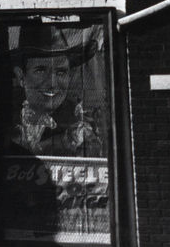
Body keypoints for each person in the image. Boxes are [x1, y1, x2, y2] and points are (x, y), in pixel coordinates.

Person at [8, 21, 104, 157]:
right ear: (21, 76)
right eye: (41, 70)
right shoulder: (6, 116)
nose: (52, 83)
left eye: (61, 72)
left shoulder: (78, 125)